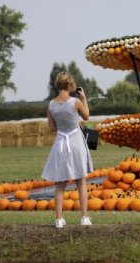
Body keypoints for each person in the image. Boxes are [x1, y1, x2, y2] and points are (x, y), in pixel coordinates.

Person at [42, 71, 94, 228]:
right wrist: (84, 98)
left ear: (58, 84)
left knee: (60, 183)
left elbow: (52, 128)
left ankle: (59, 219)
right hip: (76, 142)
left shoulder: (51, 105)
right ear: (70, 85)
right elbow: (86, 117)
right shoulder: (76, 102)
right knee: (81, 181)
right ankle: (84, 217)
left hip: (60, 143)